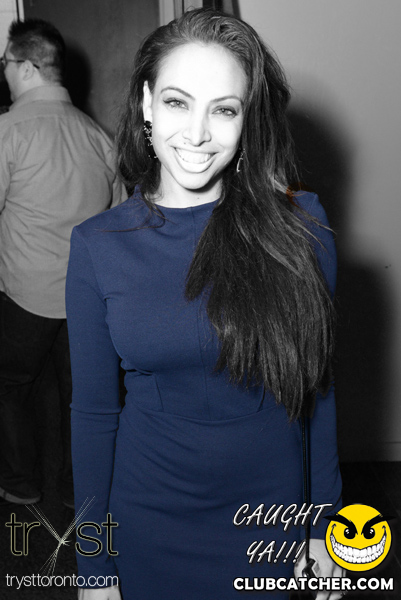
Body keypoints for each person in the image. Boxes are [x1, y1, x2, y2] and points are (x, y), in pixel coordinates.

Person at [66, 8, 343, 600]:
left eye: (224, 109)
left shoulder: (302, 228)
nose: (196, 134)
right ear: (146, 103)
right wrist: (94, 566)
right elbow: (93, 417)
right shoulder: (97, 245)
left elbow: (317, 391)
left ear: (248, 118)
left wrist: (327, 529)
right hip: (148, 524)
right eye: (177, 102)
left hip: (272, 524)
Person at [0, 19, 123, 508]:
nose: (4, 72)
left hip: (25, 298)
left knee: (11, 386)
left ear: (28, 68)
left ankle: (21, 482)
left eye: (7, 63)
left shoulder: (8, 131)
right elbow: (118, 225)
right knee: (80, 400)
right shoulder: (99, 137)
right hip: (85, 302)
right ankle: (77, 490)